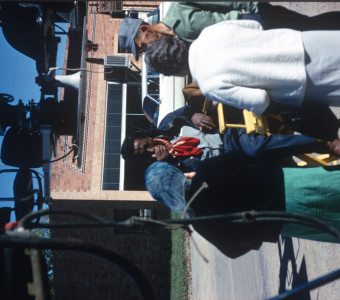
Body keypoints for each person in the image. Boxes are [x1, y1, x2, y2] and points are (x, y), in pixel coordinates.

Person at [145, 159, 340, 258]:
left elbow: (234, 251)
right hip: (291, 182)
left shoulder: (201, 223)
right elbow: (246, 156)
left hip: (289, 222)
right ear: (176, 173)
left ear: (166, 199)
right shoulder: (208, 169)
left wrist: (255, 233)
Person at [144, 20, 340, 114]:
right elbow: (254, 25)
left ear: (171, 72)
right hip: (300, 41)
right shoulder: (208, 32)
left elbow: (260, 100)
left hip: (302, 81)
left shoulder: (208, 85)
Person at [121, 101, 340, 173]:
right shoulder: (163, 166)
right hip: (222, 165)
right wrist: (170, 160)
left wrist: (194, 115)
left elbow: (187, 109)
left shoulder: (167, 124)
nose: (148, 151)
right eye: (143, 154)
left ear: (143, 137)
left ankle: (323, 143)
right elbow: (192, 178)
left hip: (227, 139)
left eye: (143, 145)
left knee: (254, 149)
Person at [118, 2, 340, 60]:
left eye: (143, 45)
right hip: (249, 46)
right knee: (309, 49)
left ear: (145, 29)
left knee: (310, 27)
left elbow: (228, 2)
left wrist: (262, 9)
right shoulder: (178, 49)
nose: (148, 49)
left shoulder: (179, 7)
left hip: (255, 23)